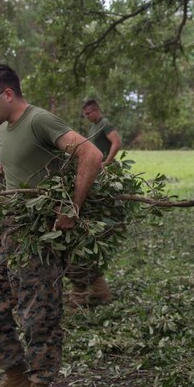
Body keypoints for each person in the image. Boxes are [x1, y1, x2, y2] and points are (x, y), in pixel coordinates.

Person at [0, 64, 103, 387]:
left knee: (38, 315)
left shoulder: (40, 120)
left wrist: (72, 208)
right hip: (6, 232)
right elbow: (19, 166)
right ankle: (16, 378)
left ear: (7, 94)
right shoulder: (2, 128)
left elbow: (90, 155)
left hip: (38, 237)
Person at [63, 98, 124, 308]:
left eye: (89, 113)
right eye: (85, 114)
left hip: (103, 173)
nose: (87, 116)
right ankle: (98, 290)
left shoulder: (105, 124)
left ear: (96, 110)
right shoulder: (93, 126)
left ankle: (86, 292)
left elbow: (116, 142)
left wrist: (107, 161)